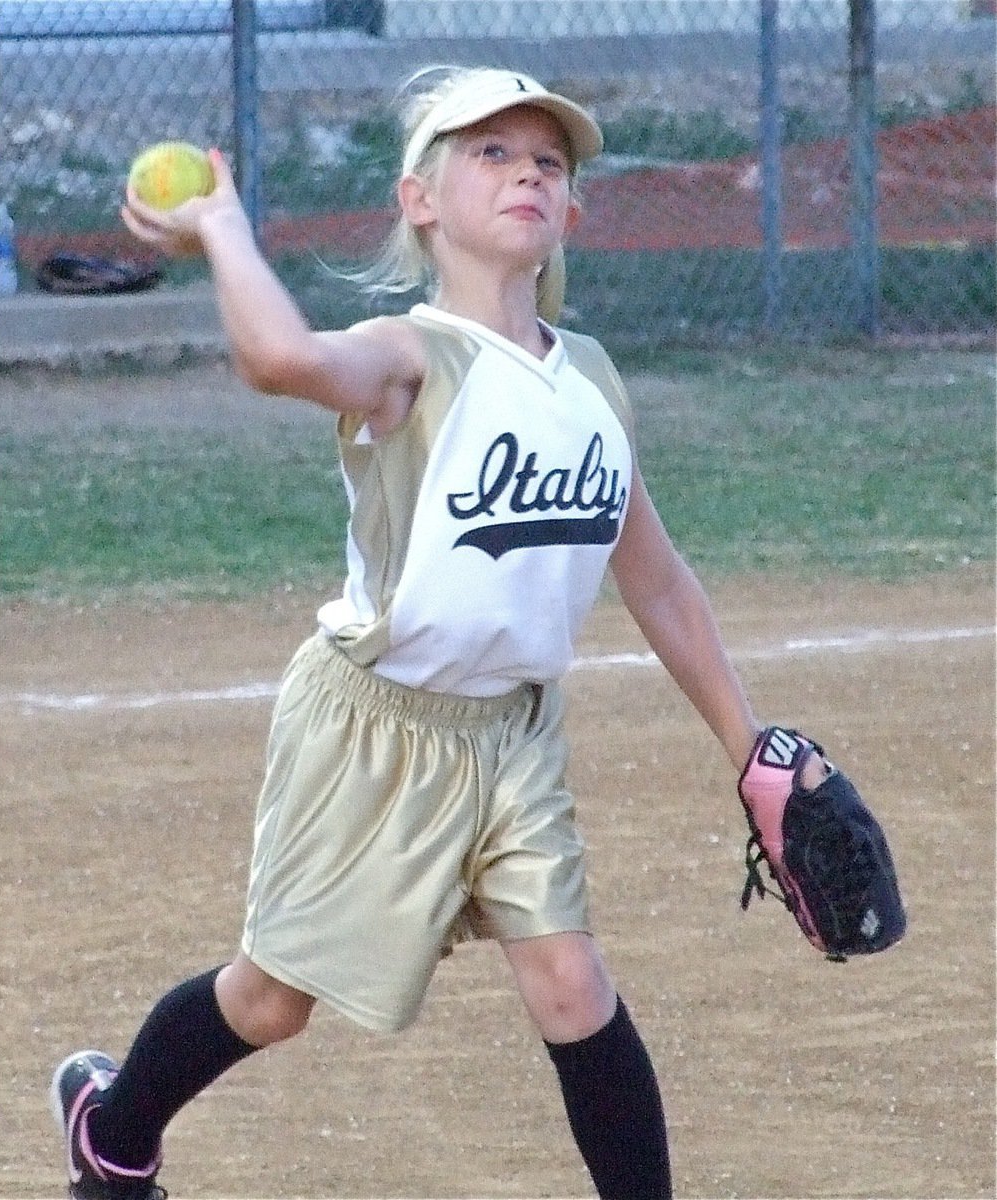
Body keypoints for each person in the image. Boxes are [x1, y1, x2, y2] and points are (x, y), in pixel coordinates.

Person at [51, 65, 825, 1200]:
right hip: (372, 730)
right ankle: (112, 1135)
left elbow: (655, 581)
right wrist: (220, 227)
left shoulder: (592, 381)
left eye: (546, 163)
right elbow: (279, 360)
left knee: (571, 984)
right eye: (489, 153)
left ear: (570, 212)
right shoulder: (409, 355)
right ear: (420, 199)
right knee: (272, 1001)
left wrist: (746, 746)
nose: (525, 173)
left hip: (513, 734)